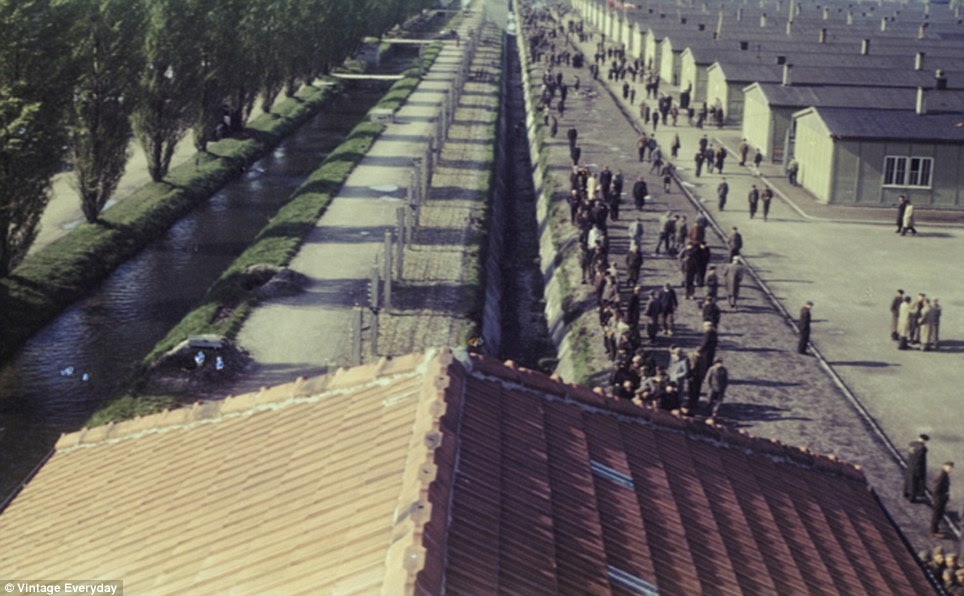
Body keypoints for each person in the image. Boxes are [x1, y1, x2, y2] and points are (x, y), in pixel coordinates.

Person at [931, 462, 954, 537]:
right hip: (939, 498)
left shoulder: (941, 473)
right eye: (950, 468)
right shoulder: (942, 475)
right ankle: (934, 532)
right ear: (945, 466)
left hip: (939, 497)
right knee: (936, 514)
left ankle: (935, 530)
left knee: (937, 514)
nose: (951, 470)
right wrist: (942, 497)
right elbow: (937, 488)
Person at [904, 434, 929, 503]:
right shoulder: (923, 448)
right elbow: (920, 460)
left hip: (910, 465)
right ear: (924, 440)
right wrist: (920, 471)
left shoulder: (912, 444)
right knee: (914, 483)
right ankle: (912, 498)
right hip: (917, 468)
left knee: (908, 481)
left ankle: (905, 494)